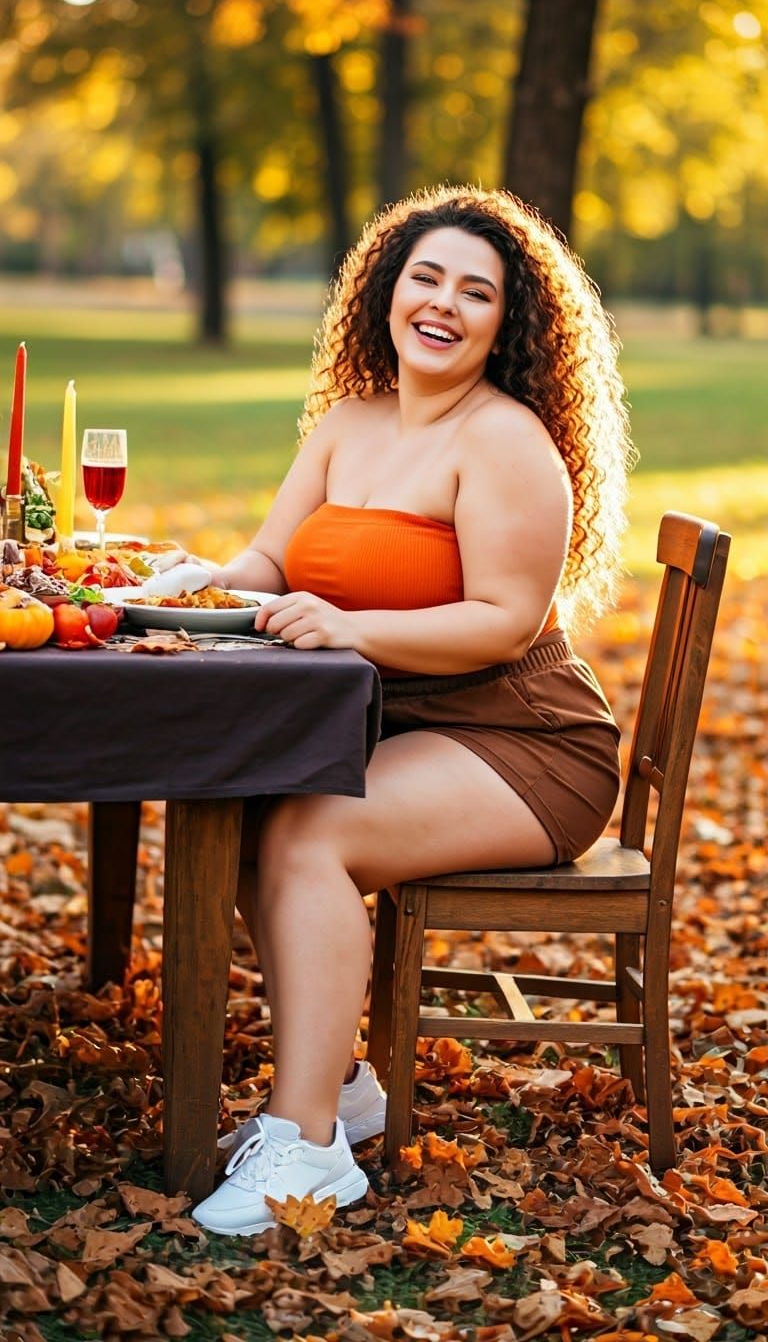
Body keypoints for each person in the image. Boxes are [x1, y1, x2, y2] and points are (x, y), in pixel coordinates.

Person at [187, 184, 634, 1236]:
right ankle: (338, 1092)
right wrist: (196, 579)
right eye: (425, 277)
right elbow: (269, 559)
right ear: (388, 289)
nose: (443, 303)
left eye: (475, 292)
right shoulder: (351, 421)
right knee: (259, 818)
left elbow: (506, 621)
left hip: (529, 743)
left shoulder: (509, 441)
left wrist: (350, 629)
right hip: (416, 732)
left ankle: (304, 1155)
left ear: (505, 324)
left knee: (309, 832)